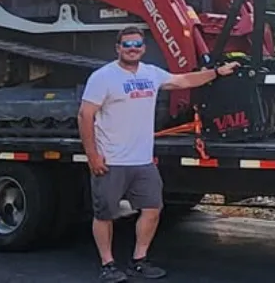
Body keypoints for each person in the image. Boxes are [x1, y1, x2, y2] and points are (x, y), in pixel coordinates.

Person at [77, 25, 240, 281]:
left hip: (143, 160)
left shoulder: (151, 73)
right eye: (127, 45)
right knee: (105, 214)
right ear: (118, 48)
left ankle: (139, 260)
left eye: (137, 45)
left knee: (152, 209)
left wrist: (217, 72)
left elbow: (183, 80)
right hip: (111, 160)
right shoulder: (103, 77)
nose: (132, 49)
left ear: (143, 49)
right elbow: (85, 116)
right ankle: (108, 264)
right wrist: (93, 156)